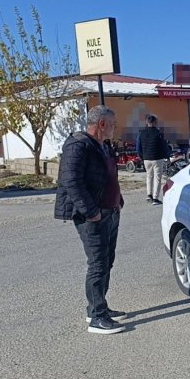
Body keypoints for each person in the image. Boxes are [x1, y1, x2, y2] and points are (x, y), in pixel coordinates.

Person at [54, 106, 126, 335]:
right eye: (113, 124)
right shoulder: (78, 145)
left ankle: (98, 306)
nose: (115, 128)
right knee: (98, 264)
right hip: (93, 215)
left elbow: (109, 176)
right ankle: (97, 318)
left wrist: (118, 199)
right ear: (102, 123)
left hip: (111, 211)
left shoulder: (103, 146)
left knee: (107, 261)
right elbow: (71, 181)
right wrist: (90, 211)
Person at [136, 114, 170, 205]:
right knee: (157, 178)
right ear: (155, 122)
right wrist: (167, 156)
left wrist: (142, 156)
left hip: (146, 158)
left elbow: (138, 146)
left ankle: (149, 195)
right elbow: (164, 146)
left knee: (149, 176)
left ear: (147, 122)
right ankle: (155, 198)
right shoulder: (159, 133)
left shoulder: (141, 133)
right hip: (157, 158)